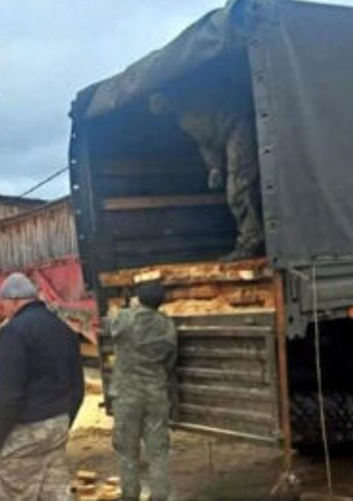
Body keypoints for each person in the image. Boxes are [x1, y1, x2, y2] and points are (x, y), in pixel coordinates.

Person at [0, 273, 85, 501]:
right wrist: (65, 420)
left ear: (14, 300)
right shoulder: (63, 327)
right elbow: (77, 385)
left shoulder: (14, 332)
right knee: (53, 492)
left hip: (24, 430)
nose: (4, 311)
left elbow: (7, 394)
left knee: (9, 490)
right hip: (57, 425)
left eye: (3, 305)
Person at [148, 90, 264, 261]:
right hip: (229, 135)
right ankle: (252, 239)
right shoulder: (183, 120)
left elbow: (224, 122)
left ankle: (250, 243)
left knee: (238, 188)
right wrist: (214, 168)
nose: (161, 108)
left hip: (238, 127)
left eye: (160, 102)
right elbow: (206, 143)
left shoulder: (197, 98)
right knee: (238, 190)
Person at [109, 280, 178, 501]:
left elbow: (109, 326)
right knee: (158, 452)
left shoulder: (125, 318)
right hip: (156, 394)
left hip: (127, 396)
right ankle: (159, 496)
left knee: (127, 452)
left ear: (138, 299)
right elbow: (170, 361)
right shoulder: (167, 325)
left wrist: (127, 306)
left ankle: (130, 496)